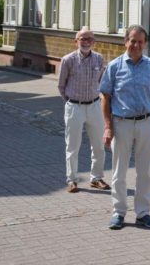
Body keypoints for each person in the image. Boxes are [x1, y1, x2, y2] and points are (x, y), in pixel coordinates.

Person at [99, 25, 150, 231]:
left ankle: (143, 213)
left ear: (145, 43)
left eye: (140, 41)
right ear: (125, 41)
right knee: (119, 171)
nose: (136, 45)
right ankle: (118, 212)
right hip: (122, 123)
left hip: (146, 122)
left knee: (144, 171)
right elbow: (105, 97)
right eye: (132, 41)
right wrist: (108, 126)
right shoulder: (114, 66)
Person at [58, 27, 109, 193]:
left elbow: (102, 82)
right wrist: (71, 102)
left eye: (89, 39)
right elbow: (61, 85)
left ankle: (97, 178)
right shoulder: (68, 60)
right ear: (76, 41)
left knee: (99, 145)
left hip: (95, 106)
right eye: (83, 39)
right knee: (72, 146)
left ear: (94, 42)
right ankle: (72, 180)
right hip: (75, 107)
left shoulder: (99, 59)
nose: (86, 42)